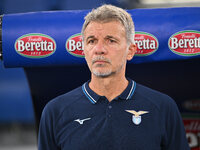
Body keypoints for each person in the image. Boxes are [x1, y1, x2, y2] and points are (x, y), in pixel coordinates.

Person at [38, 4, 190, 150]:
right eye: (92, 41)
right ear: (84, 50)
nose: (99, 50)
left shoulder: (163, 108)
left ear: (130, 51)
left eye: (111, 41)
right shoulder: (55, 111)